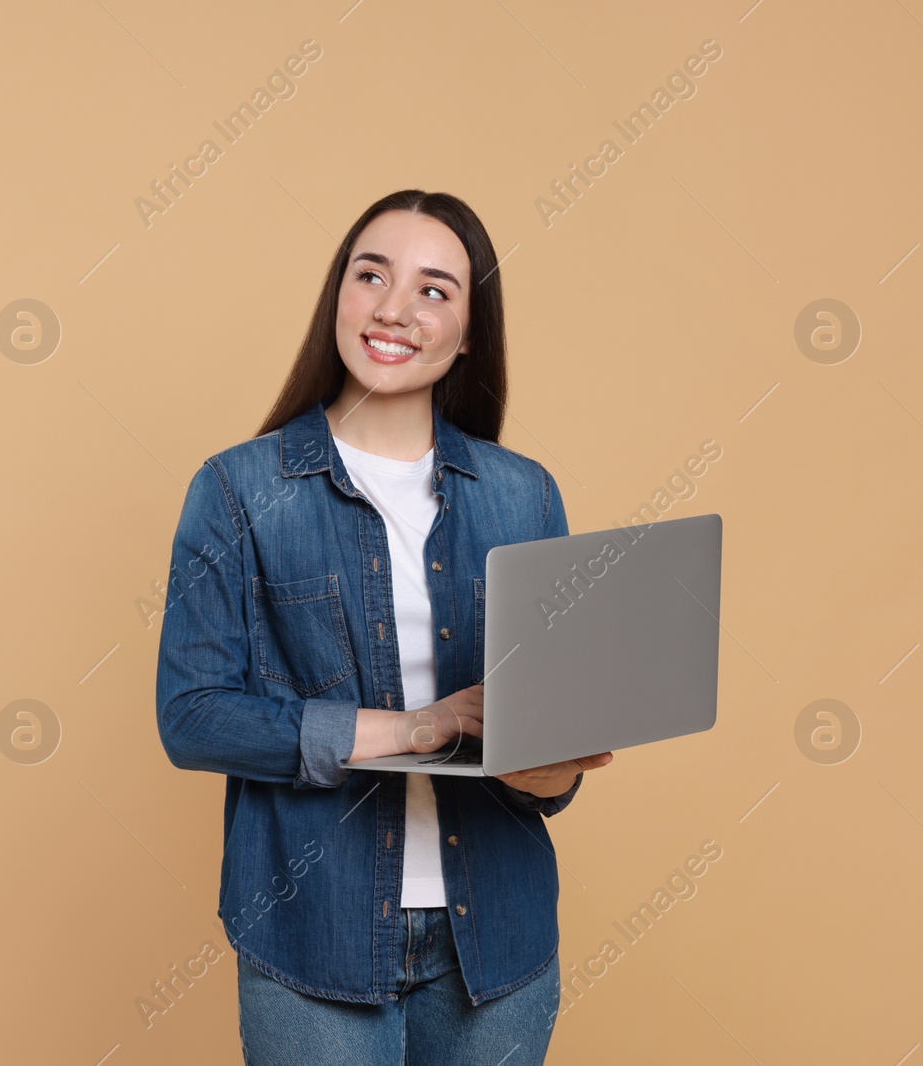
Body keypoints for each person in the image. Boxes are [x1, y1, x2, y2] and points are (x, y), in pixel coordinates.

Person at [155, 189, 613, 1065]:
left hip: (499, 945)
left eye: (435, 290)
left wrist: (547, 770)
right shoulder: (238, 490)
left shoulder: (525, 494)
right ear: (341, 293)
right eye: (373, 275)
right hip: (312, 936)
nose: (395, 309)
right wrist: (415, 728)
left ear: (472, 330)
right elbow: (194, 714)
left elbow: (546, 768)